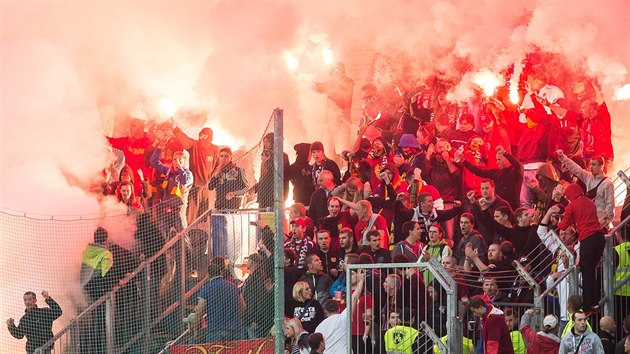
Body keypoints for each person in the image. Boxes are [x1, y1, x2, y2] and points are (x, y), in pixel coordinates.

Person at [558, 183, 606, 311]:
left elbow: (563, 226)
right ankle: (595, 302)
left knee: (587, 272)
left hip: (587, 239)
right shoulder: (590, 202)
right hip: (600, 238)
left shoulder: (571, 205)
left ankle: (589, 304)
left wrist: (557, 219)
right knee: (591, 271)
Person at [190, 256, 246, 343]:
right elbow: (243, 307)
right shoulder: (233, 286)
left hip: (215, 331)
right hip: (236, 331)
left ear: (208, 275)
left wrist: (196, 332)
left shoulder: (206, 289)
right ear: (220, 272)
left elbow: (199, 312)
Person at [172, 123, 220, 224]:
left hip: (208, 188)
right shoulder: (195, 145)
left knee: (205, 215)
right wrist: (176, 129)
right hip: (196, 187)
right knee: (192, 215)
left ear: (207, 136)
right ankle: (192, 237)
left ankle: (203, 237)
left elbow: (218, 166)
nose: (199, 136)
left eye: (202, 134)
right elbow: (185, 141)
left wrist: (212, 178)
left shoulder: (215, 149)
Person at [207, 147, 249, 258]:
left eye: (226, 156)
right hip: (219, 211)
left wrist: (234, 194)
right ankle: (217, 261)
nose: (223, 158)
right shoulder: (217, 172)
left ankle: (228, 261)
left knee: (228, 239)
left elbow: (247, 188)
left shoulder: (238, 171)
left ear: (230, 157)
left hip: (232, 212)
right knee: (217, 238)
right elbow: (210, 187)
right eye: (221, 156)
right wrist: (217, 172)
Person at [315, 271, 365, 354]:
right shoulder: (343, 318)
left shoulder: (319, 327)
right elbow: (354, 298)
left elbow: (318, 346)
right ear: (338, 308)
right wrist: (361, 282)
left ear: (326, 311)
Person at [150, 143, 193, 234]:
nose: (176, 162)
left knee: (183, 237)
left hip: (178, 212)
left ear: (183, 161)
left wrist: (180, 168)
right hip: (165, 212)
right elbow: (154, 161)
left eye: (179, 160)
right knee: (166, 237)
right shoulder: (168, 170)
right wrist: (158, 149)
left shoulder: (188, 174)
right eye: (174, 159)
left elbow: (185, 181)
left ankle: (187, 249)